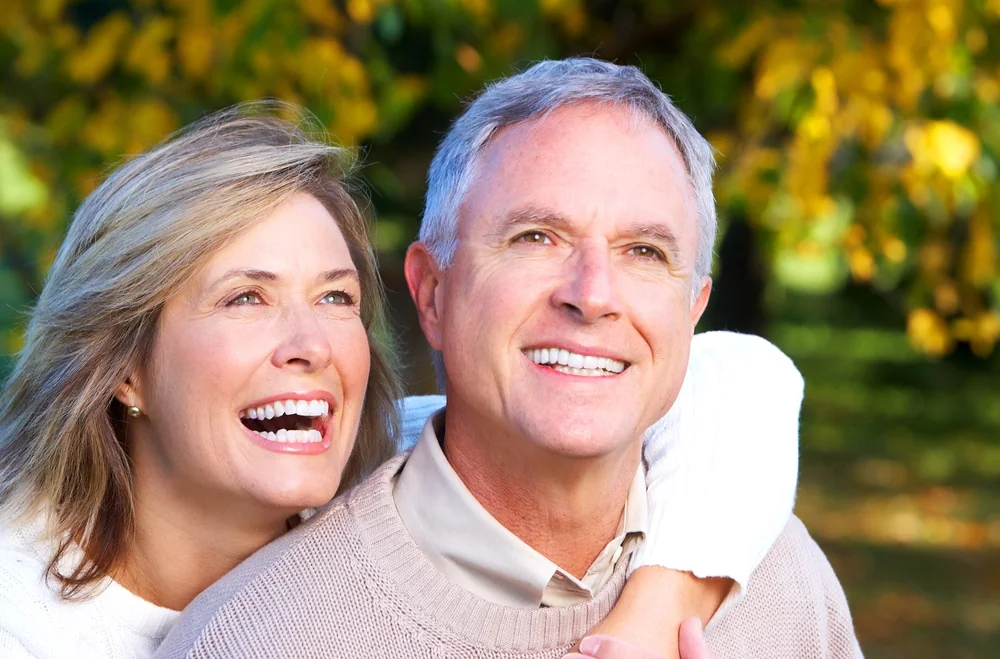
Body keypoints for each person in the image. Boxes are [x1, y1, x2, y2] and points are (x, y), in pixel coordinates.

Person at [0, 103, 799, 659]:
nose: (310, 343)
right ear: (125, 366)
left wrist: (655, 611)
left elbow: (744, 379)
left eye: (336, 297)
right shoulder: (22, 617)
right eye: (247, 297)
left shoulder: (391, 456)